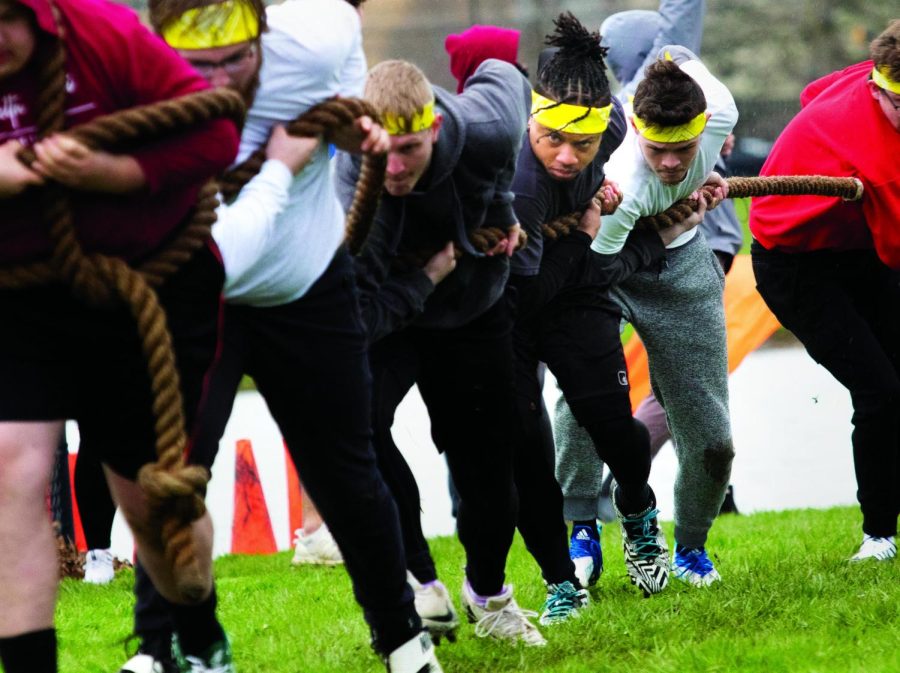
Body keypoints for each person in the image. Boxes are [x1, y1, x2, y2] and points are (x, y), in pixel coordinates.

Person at [113, 1, 444, 672]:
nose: (218, 82)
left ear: (264, 33)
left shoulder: (317, 37)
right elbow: (222, 254)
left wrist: (351, 133)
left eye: (235, 59)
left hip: (307, 286)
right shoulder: (132, 84)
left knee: (348, 474)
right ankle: (171, 645)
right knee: (171, 479)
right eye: (197, 65)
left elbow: (350, 93)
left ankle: (404, 639)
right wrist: (281, 165)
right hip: (201, 284)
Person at [0, 0, 240, 670]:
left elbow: (215, 133)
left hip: (143, 285)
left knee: (145, 498)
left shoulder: (103, 33)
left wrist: (111, 173)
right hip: (20, 289)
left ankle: (199, 638)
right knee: (8, 463)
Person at [336, 58, 546, 646]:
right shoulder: (358, 181)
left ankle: (488, 594)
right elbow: (355, 316)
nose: (394, 167)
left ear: (433, 128)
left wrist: (499, 207)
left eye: (408, 149)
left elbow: (504, 72)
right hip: (391, 312)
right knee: (358, 428)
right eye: (384, 152)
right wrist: (424, 277)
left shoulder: (487, 125)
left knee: (488, 463)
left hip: (472, 305)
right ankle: (419, 583)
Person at [509, 12, 704, 605]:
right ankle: (560, 582)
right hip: (512, 304)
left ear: (605, 132)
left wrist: (697, 189)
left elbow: (668, 153)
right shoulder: (522, 186)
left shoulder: (619, 122)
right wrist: (599, 227)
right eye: (552, 140)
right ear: (531, 124)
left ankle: (640, 514)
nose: (568, 157)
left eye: (583, 145)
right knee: (524, 451)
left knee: (613, 428)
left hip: (579, 294)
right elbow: (539, 283)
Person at [553, 41, 738, 588]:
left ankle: (691, 548)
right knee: (582, 396)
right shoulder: (622, 183)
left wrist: (696, 197)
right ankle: (582, 526)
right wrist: (669, 228)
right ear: (636, 130)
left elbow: (678, 49)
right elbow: (596, 274)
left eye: (684, 148)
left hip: (682, 267)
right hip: (608, 267)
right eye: (658, 148)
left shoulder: (721, 106)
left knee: (713, 435)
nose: (672, 163)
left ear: (707, 124)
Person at [750, 20, 900, 562]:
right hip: (794, 264)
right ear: (882, 87)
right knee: (881, 390)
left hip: (855, 248)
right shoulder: (882, 161)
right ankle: (880, 535)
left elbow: (816, 89)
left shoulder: (869, 75)